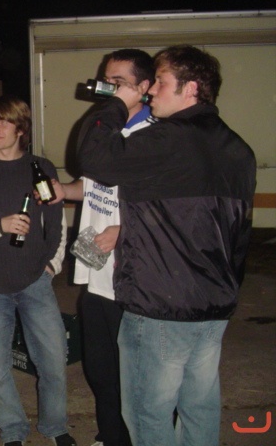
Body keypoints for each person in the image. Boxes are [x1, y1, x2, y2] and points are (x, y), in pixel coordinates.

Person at [77, 45, 256, 445]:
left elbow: (94, 157)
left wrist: (117, 104)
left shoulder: (166, 139)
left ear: (190, 89)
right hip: (214, 306)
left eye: (160, 82)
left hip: (161, 307)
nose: (151, 90)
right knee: (198, 410)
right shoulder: (238, 150)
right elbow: (236, 234)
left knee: (147, 417)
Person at [0, 95, 76, 446]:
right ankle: (12, 430)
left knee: (53, 361)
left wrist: (52, 265)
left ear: (20, 128)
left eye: (3, 121)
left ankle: (55, 426)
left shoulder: (40, 168)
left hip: (35, 281)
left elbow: (56, 223)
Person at [50, 49, 155, 446]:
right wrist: (66, 191)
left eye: (119, 82)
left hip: (133, 278)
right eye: (106, 80)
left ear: (144, 87)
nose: (109, 88)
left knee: (136, 372)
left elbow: (171, 206)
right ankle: (111, 435)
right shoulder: (105, 128)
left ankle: (139, 437)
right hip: (96, 269)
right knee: (100, 367)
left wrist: (125, 229)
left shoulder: (155, 135)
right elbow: (95, 184)